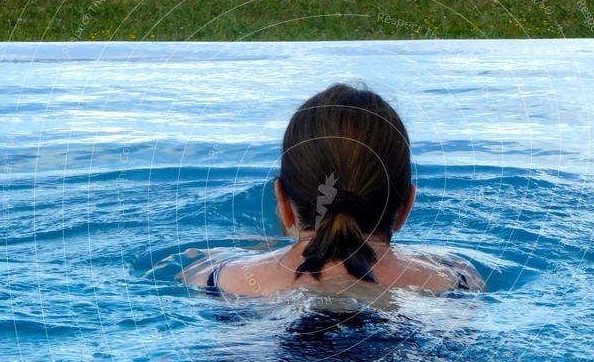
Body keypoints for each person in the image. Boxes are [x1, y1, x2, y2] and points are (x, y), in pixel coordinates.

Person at [176, 83, 485, 298]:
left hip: (266, 352)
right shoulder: (455, 277)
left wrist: (263, 249)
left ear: (283, 203)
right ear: (406, 207)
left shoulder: (216, 276)